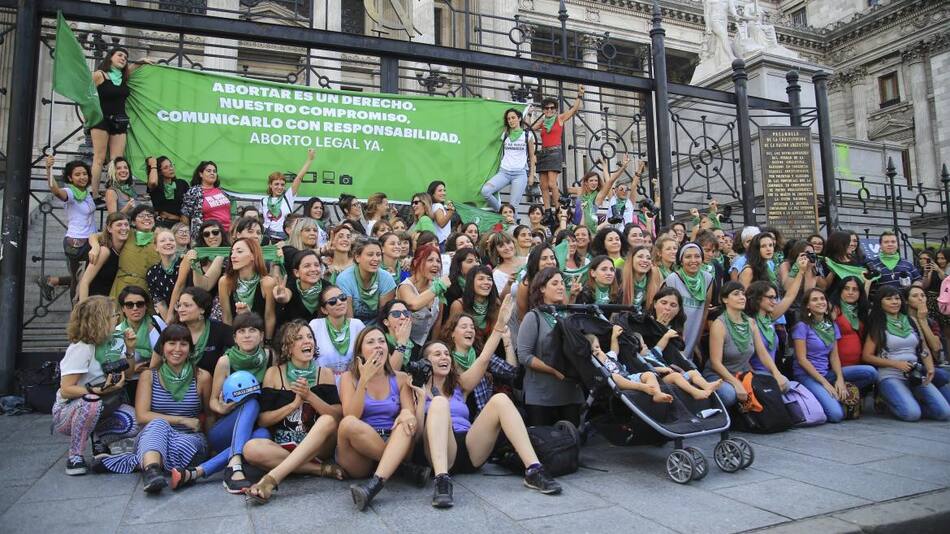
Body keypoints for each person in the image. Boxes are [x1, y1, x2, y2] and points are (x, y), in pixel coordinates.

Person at [421, 320, 561, 508]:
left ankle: (534, 469)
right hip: (442, 451)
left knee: (500, 399)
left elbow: (484, 357)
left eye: (446, 353)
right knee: (439, 403)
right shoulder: (416, 388)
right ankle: (442, 481)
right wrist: (420, 393)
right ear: (425, 362)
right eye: (437, 354)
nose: (444, 357)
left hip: (471, 447)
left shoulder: (459, 386)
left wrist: (500, 322)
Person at [92, 325, 211, 494]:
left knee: (183, 443)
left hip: (189, 437)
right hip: (155, 434)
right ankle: (152, 473)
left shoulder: (202, 377)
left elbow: (210, 414)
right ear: (162, 348)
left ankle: (137, 462)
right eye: (171, 343)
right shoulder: (149, 376)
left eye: (183, 344)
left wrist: (213, 448)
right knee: (158, 424)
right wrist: (181, 419)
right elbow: (142, 416)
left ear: (190, 349)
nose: (177, 349)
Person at [243, 321, 345, 503]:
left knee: (327, 421)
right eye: (299, 338)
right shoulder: (274, 374)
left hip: (318, 446)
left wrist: (309, 396)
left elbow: (337, 417)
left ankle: (272, 478)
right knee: (250, 449)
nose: (307, 341)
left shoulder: (325, 373)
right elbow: (263, 420)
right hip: (284, 444)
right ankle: (316, 469)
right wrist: (293, 404)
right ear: (288, 347)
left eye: (309, 337)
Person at [170, 313, 273, 492]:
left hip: (256, 427)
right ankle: (235, 466)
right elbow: (212, 402)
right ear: (235, 337)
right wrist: (222, 407)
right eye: (241, 331)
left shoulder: (270, 356)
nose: (247, 335)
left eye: (252, 330)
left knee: (263, 436)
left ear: (262, 335)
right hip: (224, 429)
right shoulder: (225, 361)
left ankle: (197, 472)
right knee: (251, 403)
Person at [337, 327, 424, 511]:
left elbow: (408, 413)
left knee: (405, 422)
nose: (378, 346)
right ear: (360, 351)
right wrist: (364, 381)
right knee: (348, 423)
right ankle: (400, 468)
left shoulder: (400, 378)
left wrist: (406, 413)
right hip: (361, 452)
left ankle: (373, 487)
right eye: (371, 342)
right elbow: (351, 415)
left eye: (381, 341)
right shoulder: (348, 378)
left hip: (394, 440)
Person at [52, 296, 139, 475]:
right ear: (99, 320)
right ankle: (75, 456)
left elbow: (129, 373)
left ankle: (98, 437)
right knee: (91, 401)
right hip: (70, 410)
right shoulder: (81, 348)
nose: (118, 319)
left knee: (135, 423)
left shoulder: (112, 342)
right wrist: (97, 390)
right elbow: (66, 389)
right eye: (113, 315)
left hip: (105, 403)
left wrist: (130, 350)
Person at [862, 286, 950, 421]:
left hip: (915, 374)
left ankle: (909, 400)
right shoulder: (878, 323)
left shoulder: (910, 321)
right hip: (890, 375)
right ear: (880, 302)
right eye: (889, 299)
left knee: (944, 413)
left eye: (897, 298)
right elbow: (867, 356)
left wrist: (930, 367)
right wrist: (896, 364)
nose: (894, 302)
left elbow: (924, 348)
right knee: (912, 415)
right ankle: (887, 402)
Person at [792, 288, 877, 422]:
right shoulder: (802, 326)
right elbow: (802, 360)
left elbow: (834, 356)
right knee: (836, 415)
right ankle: (825, 396)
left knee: (870, 372)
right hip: (808, 376)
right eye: (814, 300)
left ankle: (839, 392)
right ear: (807, 306)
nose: (820, 302)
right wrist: (825, 383)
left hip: (826, 373)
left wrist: (840, 380)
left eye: (822, 299)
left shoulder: (831, 325)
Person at [517, 267, 584, 426]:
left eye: (562, 283)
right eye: (554, 283)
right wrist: (554, 371)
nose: (561, 287)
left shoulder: (569, 316)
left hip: (571, 394)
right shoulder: (533, 317)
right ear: (542, 288)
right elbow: (524, 356)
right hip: (541, 397)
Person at [706, 282, 789, 408]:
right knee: (729, 394)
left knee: (783, 383)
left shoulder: (750, 322)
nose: (742, 297)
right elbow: (715, 363)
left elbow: (762, 353)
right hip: (719, 375)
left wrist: (776, 373)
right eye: (736, 294)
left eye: (743, 294)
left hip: (743, 373)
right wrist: (735, 382)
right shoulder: (719, 325)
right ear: (725, 299)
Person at [89, 48, 152, 196]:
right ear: (110, 57)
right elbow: (86, 96)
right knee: (99, 158)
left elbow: (132, 68)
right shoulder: (99, 75)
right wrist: (88, 117)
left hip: (120, 120)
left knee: (117, 160)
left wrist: (141, 61)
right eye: (120, 55)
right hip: (101, 120)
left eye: (125, 57)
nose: (123, 58)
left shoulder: (122, 77)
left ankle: (114, 192)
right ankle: (95, 193)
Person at [43, 155, 96, 300]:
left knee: (88, 276)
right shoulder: (71, 192)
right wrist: (48, 169)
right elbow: (55, 191)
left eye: (85, 174)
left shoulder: (86, 194)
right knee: (79, 279)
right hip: (77, 243)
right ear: (70, 178)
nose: (82, 177)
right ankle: (76, 313)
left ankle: (53, 281)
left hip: (90, 241)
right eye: (77, 174)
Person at [530, 86, 584, 212]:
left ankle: (559, 210)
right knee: (543, 185)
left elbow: (574, 109)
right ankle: (548, 211)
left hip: (554, 152)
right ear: (543, 110)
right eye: (546, 108)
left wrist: (579, 95)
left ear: (555, 109)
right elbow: (530, 128)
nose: (549, 110)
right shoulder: (543, 122)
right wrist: (529, 114)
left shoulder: (559, 118)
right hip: (543, 154)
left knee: (551, 184)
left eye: (552, 108)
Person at [154, 287, 233, 374]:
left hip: (209, 384)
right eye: (179, 305)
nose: (180, 310)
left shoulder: (220, 330)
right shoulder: (170, 332)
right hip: (174, 384)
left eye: (187, 305)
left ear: (202, 309)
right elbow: (154, 367)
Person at [585, 326, 673, 403]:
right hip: (617, 384)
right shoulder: (596, 366)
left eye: (597, 347)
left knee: (649, 375)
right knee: (614, 376)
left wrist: (614, 336)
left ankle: (657, 394)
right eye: (592, 351)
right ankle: (642, 387)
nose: (596, 351)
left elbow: (615, 350)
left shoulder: (609, 357)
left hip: (629, 378)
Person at [219, 238, 278, 339]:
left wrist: (267, 343)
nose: (233, 256)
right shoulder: (225, 282)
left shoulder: (267, 283)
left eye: (239, 251)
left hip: (259, 338)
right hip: (236, 338)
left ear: (253, 256)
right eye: (232, 252)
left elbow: (269, 317)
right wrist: (231, 343)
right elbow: (227, 317)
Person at [481, 108, 537, 214]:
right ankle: (503, 212)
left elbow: (532, 156)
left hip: (520, 174)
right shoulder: (505, 134)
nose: (511, 120)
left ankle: (512, 226)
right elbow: (491, 140)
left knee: (514, 207)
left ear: (519, 118)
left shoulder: (527, 135)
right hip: (504, 172)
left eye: (513, 118)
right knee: (485, 191)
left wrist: (531, 175)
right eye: (508, 119)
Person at [665, 243, 713, 362]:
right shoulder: (673, 278)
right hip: (674, 338)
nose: (693, 260)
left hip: (693, 335)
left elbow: (704, 312)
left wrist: (697, 341)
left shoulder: (708, 279)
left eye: (697, 256)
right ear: (681, 261)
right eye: (688, 257)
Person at [397, 244, 450, 349]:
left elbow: (437, 323)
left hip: (426, 345)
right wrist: (439, 287)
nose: (436, 265)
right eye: (430, 260)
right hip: (404, 345)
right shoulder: (405, 287)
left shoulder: (437, 287)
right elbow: (413, 304)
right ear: (416, 263)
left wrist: (432, 348)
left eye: (438, 261)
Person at [309, 285, 366, 380]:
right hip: (323, 383)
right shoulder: (315, 326)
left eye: (342, 298)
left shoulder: (357, 325)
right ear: (324, 310)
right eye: (332, 301)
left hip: (352, 383)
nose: (339, 302)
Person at [337, 239, 396, 326]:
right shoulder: (344, 279)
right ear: (357, 257)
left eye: (378, 255)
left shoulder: (386, 278)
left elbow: (384, 317)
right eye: (370, 255)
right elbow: (349, 321)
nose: (376, 259)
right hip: (352, 329)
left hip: (378, 329)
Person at [107, 204, 160, 300]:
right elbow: (98, 235)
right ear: (133, 222)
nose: (146, 218)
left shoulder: (160, 237)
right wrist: (94, 245)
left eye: (150, 216)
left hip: (147, 288)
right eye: (141, 216)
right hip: (123, 285)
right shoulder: (127, 233)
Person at [260, 149, 315, 242]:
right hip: (267, 238)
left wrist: (310, 160)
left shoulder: (288, 197)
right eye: (276, 184)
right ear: (270, 185)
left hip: (285, 238)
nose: (280, 187)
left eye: (282, 184)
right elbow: (263, 221)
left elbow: (299, 178)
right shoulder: (263, 201)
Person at [78, 212, 129, 301]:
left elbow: (95, 235)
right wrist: (83, 309)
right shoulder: (104, 251)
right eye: (119, 225)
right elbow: (85, 282)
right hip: (95, 302)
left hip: (109, 302)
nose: (124, 228)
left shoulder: (124, 249)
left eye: (126, 224)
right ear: (109, 228)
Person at [182, 161, 232, 241]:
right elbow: (185, 215)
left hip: (227, 235)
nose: (212, 173)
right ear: (201, 174)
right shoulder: (194, 192)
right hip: (208, 236)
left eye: (214, 171)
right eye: (209, 171)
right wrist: (187, 236)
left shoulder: (221, 191)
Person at [274, 250, 324, 323]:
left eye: (316, 265)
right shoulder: (291, 285)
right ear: (296, 272)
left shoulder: (327, 287)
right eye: (307, 266)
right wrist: (283, 297)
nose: (313, 269)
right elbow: (286, 294)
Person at [146, 228, 183, 318]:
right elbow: (160, 302)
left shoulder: (185, 263)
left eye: (171, 240)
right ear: (156, 247)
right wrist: (169, 323)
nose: (168, 243)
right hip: (169, 318)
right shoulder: (152, 272)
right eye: (162, 241)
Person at [146, 156, 190, 229]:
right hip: (162, 224)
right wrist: (153, 165)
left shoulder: (182, 183)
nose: (171, 169)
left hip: (180, 224)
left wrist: (176, 217)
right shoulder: (156, 186)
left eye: (171, 165)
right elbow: (153, 182)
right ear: (159, 172)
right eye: (166, 167)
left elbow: (188, 205)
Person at [486, 231, 520, 298]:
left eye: (508, 242)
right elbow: (501, 300)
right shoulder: (497, 274)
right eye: (501, 246)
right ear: (496, 251)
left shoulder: (528, 259)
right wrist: (509, 284)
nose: (507, 247)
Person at [426, 181, 456, 245]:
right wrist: (450, 211)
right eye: (440, 191)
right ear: (432, 193)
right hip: (442, 242)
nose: (443, 193)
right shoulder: (437, 206)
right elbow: (441, 223)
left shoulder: (432, 206)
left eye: (444, 190)